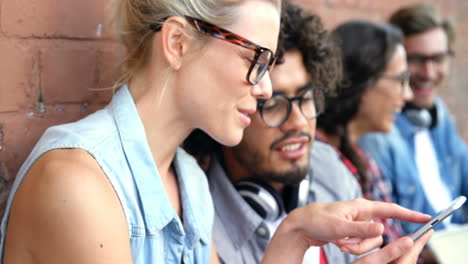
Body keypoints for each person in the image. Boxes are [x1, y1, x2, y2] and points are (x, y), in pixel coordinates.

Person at [0, 0, 281, 263]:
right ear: (177, 43)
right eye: (254, 59)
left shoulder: (191, 183)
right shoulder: (76, 183)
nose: (266, 89)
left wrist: (291, 240)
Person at [184, 4, 432, 264]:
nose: (298, 122)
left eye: (306, 97)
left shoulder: (327, 166)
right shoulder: (200, 223)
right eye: (273, 103)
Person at [359, 3, 468, 235]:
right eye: (416, 59)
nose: (428, 73)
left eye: (438, 58)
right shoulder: (376, 134)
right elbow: (388, 236)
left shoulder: (439, 112)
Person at [316, 20, 413, 247]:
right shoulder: (317, 160)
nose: (407, 94)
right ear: (363, 82)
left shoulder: (361, 157)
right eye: (401, 80)